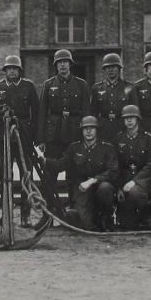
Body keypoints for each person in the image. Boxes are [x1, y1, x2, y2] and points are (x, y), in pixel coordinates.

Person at [40, 116, 118, 230]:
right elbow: (61, 164)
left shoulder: (107, 148)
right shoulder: (74, 147)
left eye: (92, 128)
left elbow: (113, 171)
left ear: (97, 130)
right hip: (82, 189)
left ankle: (106, 217)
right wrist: (45, 161)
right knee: (84, 224)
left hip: (99, 186)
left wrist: (93, 180)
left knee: (105, 188)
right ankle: (87, 216)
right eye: (85, 128)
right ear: (81, 131)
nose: (88, 131)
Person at [37, 49, 91, 205]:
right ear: (55, 65)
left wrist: (85, 137)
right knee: (49, 174)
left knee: (73, 174)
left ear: (70, 64)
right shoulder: (48, 85)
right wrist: (41, 139)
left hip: (74, 135)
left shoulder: (81, 84)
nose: (62, 65)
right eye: (59, 63)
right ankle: (49, 212)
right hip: (53, 135)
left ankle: (73, 210)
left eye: (65, 62)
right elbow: (42, 113)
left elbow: (86, 113)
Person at [0, 55, 40, 227]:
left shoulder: (28, 86)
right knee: (5, 176)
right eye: (9, 68)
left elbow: (37, 113)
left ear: (19, 70)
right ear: (5, 71)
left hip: (24, 136)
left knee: (26, 174)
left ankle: (25, 215)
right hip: (5, 137)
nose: (12, 71)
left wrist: (34, 136)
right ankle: (6, 214)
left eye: (14, 68)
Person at [113, 104, 151, 230]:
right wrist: (119, 188)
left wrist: (135, 181)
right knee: (127, 225)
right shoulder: (118, 138)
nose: (129, 120)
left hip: (143, 180)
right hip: (124, 180)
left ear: (138, 119)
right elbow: (116, 165)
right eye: (126, 118)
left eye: (132, 117)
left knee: (135, 193)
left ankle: (147, 213)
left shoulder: (148, 138)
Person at [90, 53, 139, 145]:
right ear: (104, 69)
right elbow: (93, 112)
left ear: (119, 68)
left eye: (113, 67)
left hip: (122, 126)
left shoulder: (129, 87)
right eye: (107, 67)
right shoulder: (97, 88)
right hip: (103, 127)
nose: (110, 69)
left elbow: (135, 111)